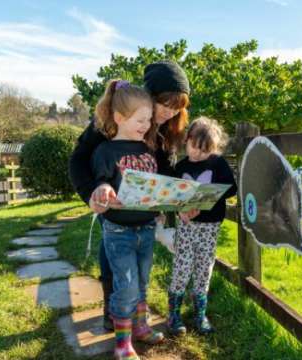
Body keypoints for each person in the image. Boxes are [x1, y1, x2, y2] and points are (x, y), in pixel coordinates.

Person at [68, 61, 190, 331]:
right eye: (165, 104)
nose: (169, 112)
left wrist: (178, 200)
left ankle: (136, 317)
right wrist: (91, 194)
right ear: (149, 97)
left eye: (177, 107)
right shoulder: (112, 120)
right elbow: (78, 159)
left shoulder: (167, 128)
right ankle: (112, 310)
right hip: (109, 198)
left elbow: (165, 170)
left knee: (141, 270)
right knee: (113, 251)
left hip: (143, 209)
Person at [90, 79, 162, 360]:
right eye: (141, 119)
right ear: (120, 118)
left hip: (146, 228)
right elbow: (101, 184)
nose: (146, 125)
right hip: (118, 230)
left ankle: (141, 327)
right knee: (127, 284)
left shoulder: (147, 151)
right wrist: (103, 189)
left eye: (149, 120)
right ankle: (122, 342)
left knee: (142, 281)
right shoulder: (106, 151)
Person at [166, 117, 237, 335]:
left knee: (204, 269)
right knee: (182, 267)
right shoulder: (180, 167)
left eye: (205, 151)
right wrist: (181, 209)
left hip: (210, 228)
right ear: (186, 140)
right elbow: (172, 196)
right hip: (187, 227)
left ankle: (200, 314)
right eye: (194, 147)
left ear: (213, 149)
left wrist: (208, 197)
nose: (198, 154)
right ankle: (174, 314)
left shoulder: (218, 163)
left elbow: (231, 189)